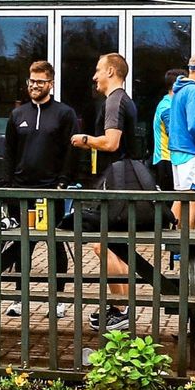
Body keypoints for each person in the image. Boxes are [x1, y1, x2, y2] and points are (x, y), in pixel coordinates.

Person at [0, 60, 77, 317]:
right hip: (21, 191)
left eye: (40, 82)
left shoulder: (64, 114)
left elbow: (70, 152)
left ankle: (59, 299)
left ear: (50, 84)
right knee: (22, 245)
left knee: (55, 245)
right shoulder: (17, 115)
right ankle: (20, 298)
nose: (34, 86)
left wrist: (62, 182)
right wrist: (8, 184)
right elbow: (8, 152)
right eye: (31, 81)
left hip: (51, 190)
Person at [69, 53, 139, 333]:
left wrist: (83, 139)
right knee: (115, 246)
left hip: (117, 181)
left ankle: (121, 308)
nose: (94, 76)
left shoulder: (114, 101)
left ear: (111, 71)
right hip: (121, 180)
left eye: (98, 70)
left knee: (102, 245)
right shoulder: (124, 100)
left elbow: (111, 143)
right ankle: (120, 307)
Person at [164, 55, 195, 233]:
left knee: (180, 197)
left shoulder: (179, 90)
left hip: (178, 151)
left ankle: (174, 244)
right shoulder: (193, 92)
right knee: (193, 199)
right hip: (191, 151)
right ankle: (187, 248)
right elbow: (194, 125)